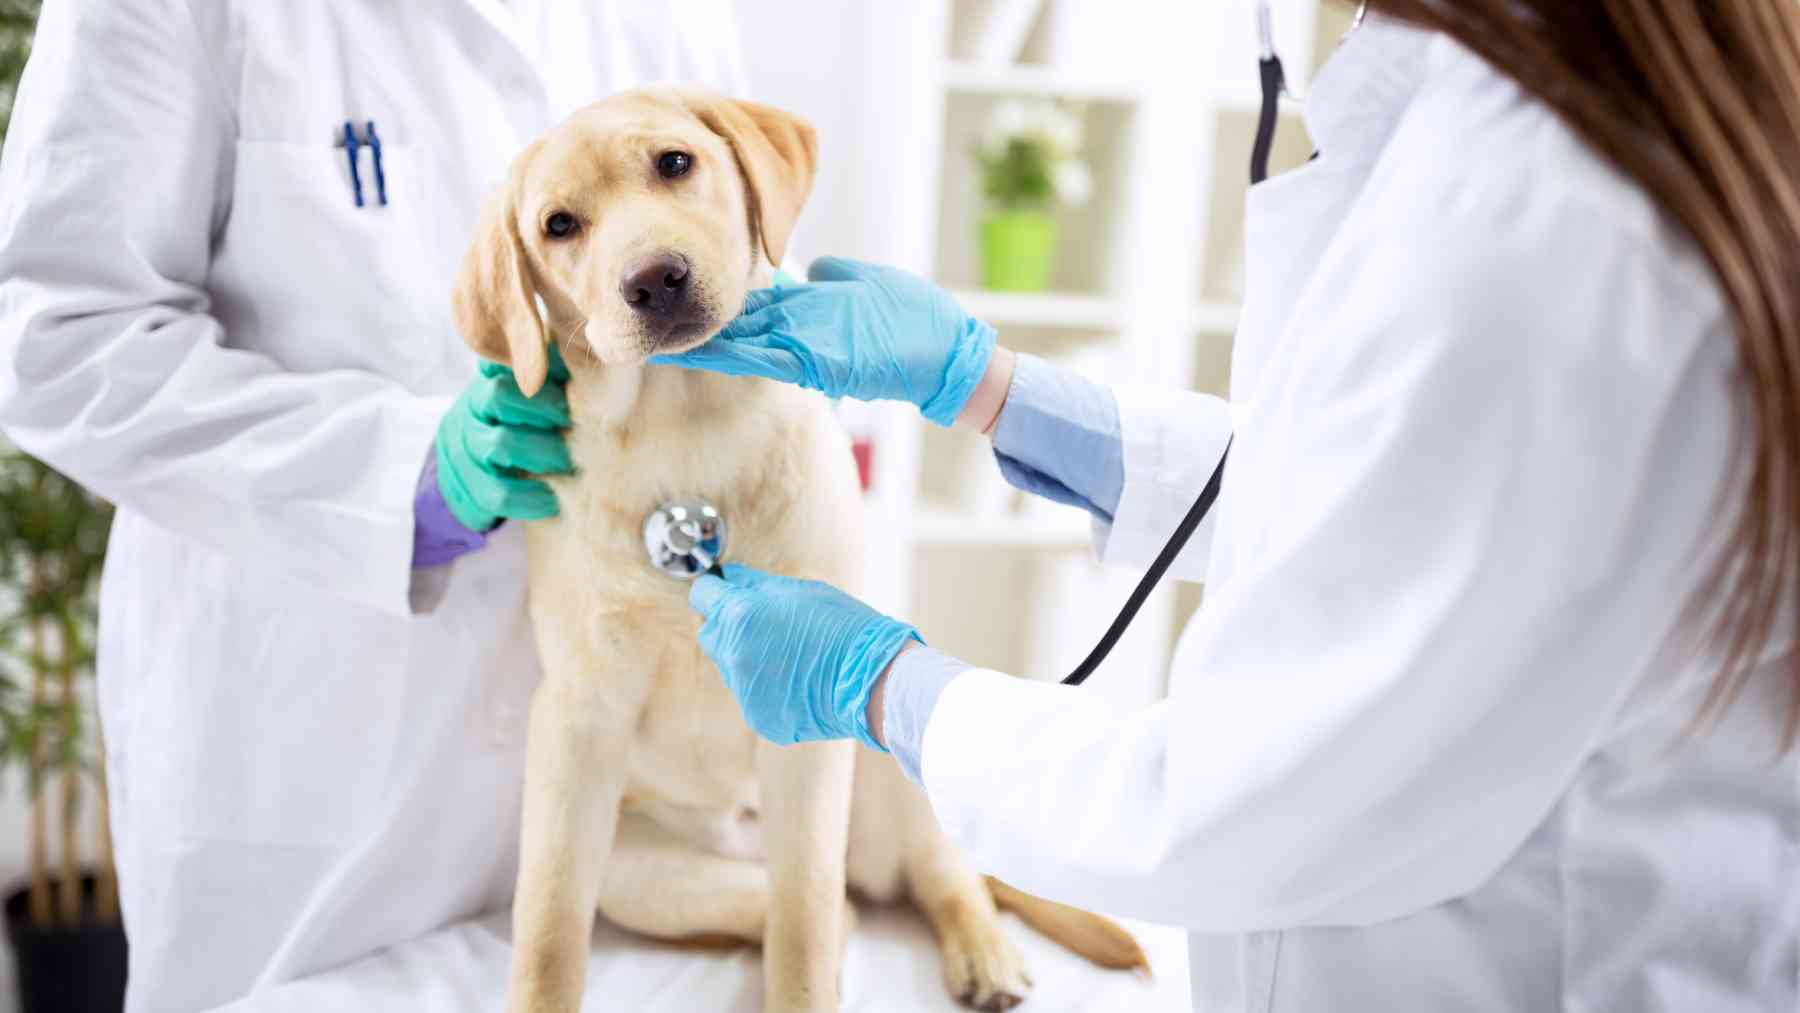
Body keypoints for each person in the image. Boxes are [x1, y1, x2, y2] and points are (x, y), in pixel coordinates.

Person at [657, 5, 1800, 1011]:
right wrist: (998, 393)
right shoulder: (1495, 103)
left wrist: (885, 685)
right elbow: (1392, 499)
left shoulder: (1551, 210)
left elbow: (1250, 801)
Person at [0, 2, 742, 1009]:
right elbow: (59, 338)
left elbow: (715, 260)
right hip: (318, 747)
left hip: (628, 763)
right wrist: (405, 477)